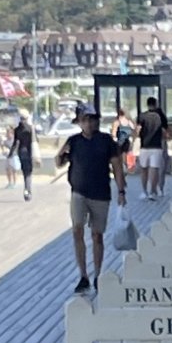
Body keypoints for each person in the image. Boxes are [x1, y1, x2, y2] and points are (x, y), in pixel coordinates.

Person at [54, 104, 126, 294]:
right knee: (77, 229)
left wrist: (121, 191)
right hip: (78, 192)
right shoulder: (74, 141)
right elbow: (59, 163)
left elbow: (117, 167)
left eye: (92, 119)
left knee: (97, 235)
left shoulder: (106, 141)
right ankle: (83, 275)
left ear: (97, 121)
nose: (88, 123)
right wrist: (61, 153)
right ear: (79, 123)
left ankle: (98, 274)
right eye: (84, 120)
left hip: (101, 194)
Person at [136, 97, 171, 200]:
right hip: (157, 146)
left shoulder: (142, 116)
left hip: (144, 145)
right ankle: (152, 190)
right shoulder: (160, 115)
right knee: (154, 169)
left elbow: (137, 130)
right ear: (156, 104)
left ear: (147, 104)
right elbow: (165, 131)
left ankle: (144, 191)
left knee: (144, 169)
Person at [9, 111, 34, 201]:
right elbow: (35, 141)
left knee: (25, 172)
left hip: (21, 151)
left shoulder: (17, 129)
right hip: (29, 151)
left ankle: (27, 190)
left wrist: (10, 153)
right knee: (29, 173)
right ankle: (27, 190)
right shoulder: (30, 128)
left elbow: (15, 143)